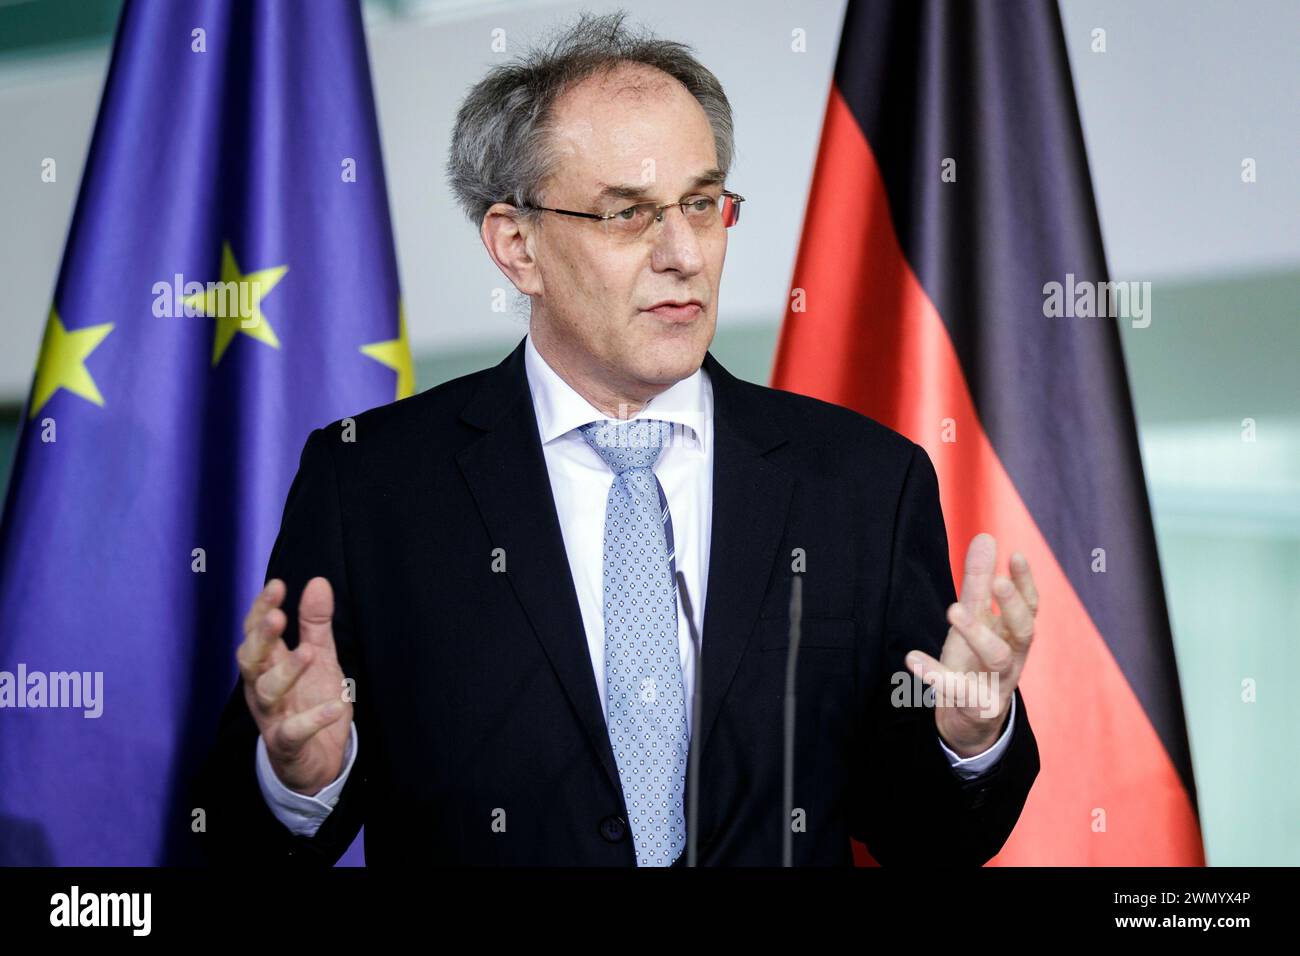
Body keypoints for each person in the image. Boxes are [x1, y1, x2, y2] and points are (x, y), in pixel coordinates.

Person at [191, 11, 1040, 866]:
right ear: (517, 246)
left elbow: (930, 839)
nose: (683, 253)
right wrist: (300, 777)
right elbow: (230, 841)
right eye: (628, 214)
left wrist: (970, 733)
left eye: (703, 205)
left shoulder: (861, 482)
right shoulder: (371, 481)